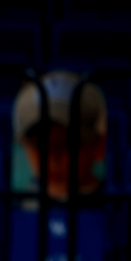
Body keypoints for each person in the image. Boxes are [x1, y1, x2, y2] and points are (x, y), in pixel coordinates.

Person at [13, 70, 108, 203]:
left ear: (99, 145)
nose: (52, 159)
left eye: (67, 144)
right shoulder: (13, 208)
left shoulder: (119, 212)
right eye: (40, 145)